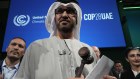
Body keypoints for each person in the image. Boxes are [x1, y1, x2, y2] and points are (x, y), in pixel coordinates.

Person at [15, 0, 116, 79]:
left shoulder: (88, 49)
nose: (64, 15)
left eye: (70, 11)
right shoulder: (35, 47)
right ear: (54, 18)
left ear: (77, 18)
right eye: (59, 11)